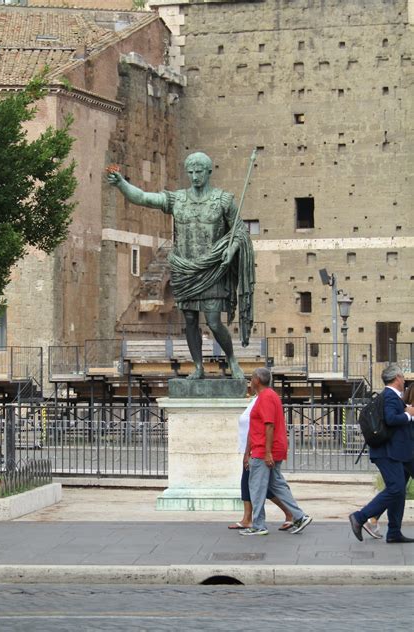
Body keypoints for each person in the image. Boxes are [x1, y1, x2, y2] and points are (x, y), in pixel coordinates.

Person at [107, 152, 254, 380]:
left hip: (212, 269)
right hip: (184, 269)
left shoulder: (223, 200)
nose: (195, 176)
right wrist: (122, 184)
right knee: (190, 320)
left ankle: (233, 361)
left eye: (199, 172)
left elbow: (240, 232)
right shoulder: (178, 199)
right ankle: (198, 367)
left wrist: (231, 249)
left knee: (214, 321)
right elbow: (144, 198)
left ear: (208, 172)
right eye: (191, 172)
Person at [239, 367, 312, 536]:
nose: (250, 381)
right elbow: (256, 426)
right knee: (276, 484)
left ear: (257, 380)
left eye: (251, 378)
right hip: (266, 448)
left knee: (256, 487)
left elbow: (269, 425)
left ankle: (258, 525)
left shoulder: (266, 397)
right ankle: (299, 516)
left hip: (264, 449)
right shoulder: (266, 397)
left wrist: (267, 452)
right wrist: (247, 452)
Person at [349, 365, 414, 543]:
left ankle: (394, 532)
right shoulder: (391, 397)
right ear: (397, 378)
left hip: (391, 451)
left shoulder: (389, 396)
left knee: (398, 491)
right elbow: (391, 419)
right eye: (402, 377)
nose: (403, 380)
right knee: (396, 488)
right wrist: (408, 415)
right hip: (387, 452)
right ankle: (360, 517)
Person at [228, 394, 294, 530]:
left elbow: (266, 426)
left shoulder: (264, 399)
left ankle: (292, 513)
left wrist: (265, 452)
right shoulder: (257, 399)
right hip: (254, 449)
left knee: (266, 486)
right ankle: (248, 518)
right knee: (248, 483)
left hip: (259, 450)